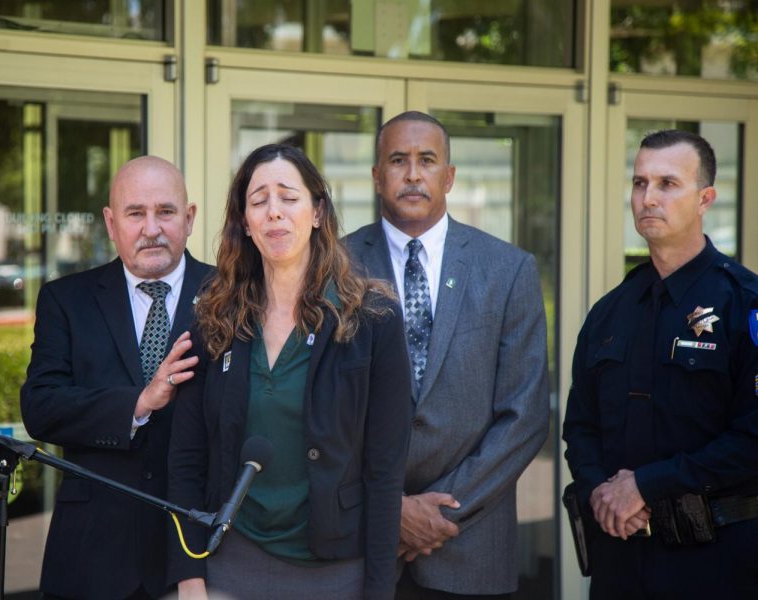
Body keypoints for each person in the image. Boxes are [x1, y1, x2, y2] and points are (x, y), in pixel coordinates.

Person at [166, 144, 413, 600]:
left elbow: (384, 475)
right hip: (231, 563)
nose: (274, 213)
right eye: (259, 201)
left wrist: (379, 592)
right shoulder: (213, 318)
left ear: (318, 211)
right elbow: (186, 458)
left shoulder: (372, 320)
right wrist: (189, 577)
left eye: (288, 197)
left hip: (336, 570)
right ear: (245, 221)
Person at [344, 111, 550, 599]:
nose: (413, 174)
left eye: (427, 160)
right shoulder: (335, 267)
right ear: (377, 176)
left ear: (449, 176)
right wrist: (390, 509)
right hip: (365, 548)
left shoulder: (509, 269)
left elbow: (524, 417)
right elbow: (322, 414)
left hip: (470, 547)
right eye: (398, 160)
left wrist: (438, 514)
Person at [563, 130, 758, 599]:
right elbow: (580, 427)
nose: (648, 198)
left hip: (715, 564)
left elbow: (753, 438)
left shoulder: (743, 304)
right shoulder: (611, 311)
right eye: (639, 183)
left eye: (667, 183)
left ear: (705, 198)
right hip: (620, 560)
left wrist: (647, 486)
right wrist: (601, 494)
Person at [20, 156, 213, 599]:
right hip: (92, 558)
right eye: (135, 213)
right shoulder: (66, 300)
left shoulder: (232, 296)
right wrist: (138, 403)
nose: (151, 228)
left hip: (197, 557)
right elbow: (41, 407)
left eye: (165, 212)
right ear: (111, 223)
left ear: (189, 218)